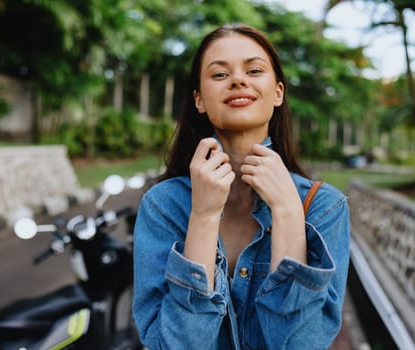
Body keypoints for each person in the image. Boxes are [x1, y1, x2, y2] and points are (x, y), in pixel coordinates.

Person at [132, 23, 350, 350]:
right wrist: (203, 216)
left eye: (254, 70)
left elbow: (301, 345)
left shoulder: (324, 208)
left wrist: (288, 211)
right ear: (199, 100)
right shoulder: (162, 206)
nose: (237, 79)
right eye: (219, 75)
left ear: (278, 92)